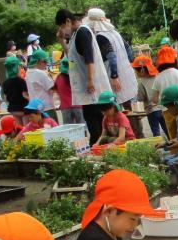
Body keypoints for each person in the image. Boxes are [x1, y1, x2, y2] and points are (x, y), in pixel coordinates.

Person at [55, 9, 112, 146]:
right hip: (86, 88)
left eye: (62, 26)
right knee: (92, 123)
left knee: (95, 124)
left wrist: (90, 79)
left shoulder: (83, 32)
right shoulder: (74, 36)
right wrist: (61, 41)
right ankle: (98, 147)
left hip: (93, 87)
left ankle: (97, 148)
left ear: (68, 21)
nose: (62, 30)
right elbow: (72, 59)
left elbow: (89, 58)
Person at [86, 8, 138, 105]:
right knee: (131, 107)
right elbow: (128, 49)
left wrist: (114, 77)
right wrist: (129, 64)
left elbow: (111, 56)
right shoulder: (114, 32)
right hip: (127, 73)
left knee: (122, 106)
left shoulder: (101, 37)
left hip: (116, 77)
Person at [152, 46, 178, 151]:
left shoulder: (158, 78)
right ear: (174, 60)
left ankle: (175, 156)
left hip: (168, 111)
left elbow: (154, 99)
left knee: (173, 136)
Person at [131, 55, 167, 138]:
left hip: (151, 111)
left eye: (136, 71)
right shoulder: (158, 77)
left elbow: (140, 98)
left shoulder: (141, 83)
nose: (136, 73)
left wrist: (135, 98)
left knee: (156, 133)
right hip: (163, 108)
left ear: (142, 70)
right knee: (167, 130)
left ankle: (159, 148)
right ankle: (173, 147)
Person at [25, 50, 57, 122]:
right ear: (39, 61)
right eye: (45, 62)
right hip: (47, 107)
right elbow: (51, 89)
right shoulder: (40, 73)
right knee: (53, 129)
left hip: (34, 108)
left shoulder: (28, 73)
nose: (46, 64)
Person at [54, 59, 84, 126]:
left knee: (68, 128)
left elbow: (55, 89)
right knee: (82, 127)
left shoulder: (59, 77)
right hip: (78, 105)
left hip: (65, 107)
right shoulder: (76, 76)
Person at [2, 56, 29, 123]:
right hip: (23, 108)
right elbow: (25, 95)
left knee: (19, 128)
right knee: (26, 129)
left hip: (12, 109)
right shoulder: (21, 81)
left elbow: (5, 97)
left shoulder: (5, 82)